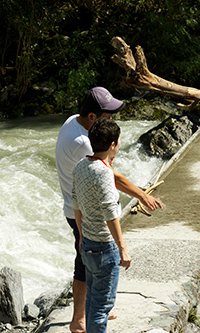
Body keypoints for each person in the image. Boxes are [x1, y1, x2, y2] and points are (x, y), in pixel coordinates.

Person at [55, 87, 162, 332]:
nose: (112, 119)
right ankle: (80, 319)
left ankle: (93, 311)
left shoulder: (73, 121)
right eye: (108, 115)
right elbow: (110, 178)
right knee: (85, 266)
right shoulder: (83, 144)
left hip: (77, 205)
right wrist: (142, 195)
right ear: (92, 117)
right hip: (83, 213)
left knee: (87, 263)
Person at [72, 118, 130, 333]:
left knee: (92, 302)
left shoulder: (81, 166)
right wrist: (123, 249)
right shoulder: (104, 173)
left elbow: (75, 204)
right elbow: (110, 214)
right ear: (112, 145)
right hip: (105, 248)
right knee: (101, 307)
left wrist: (80, 236)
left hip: (87, 243)